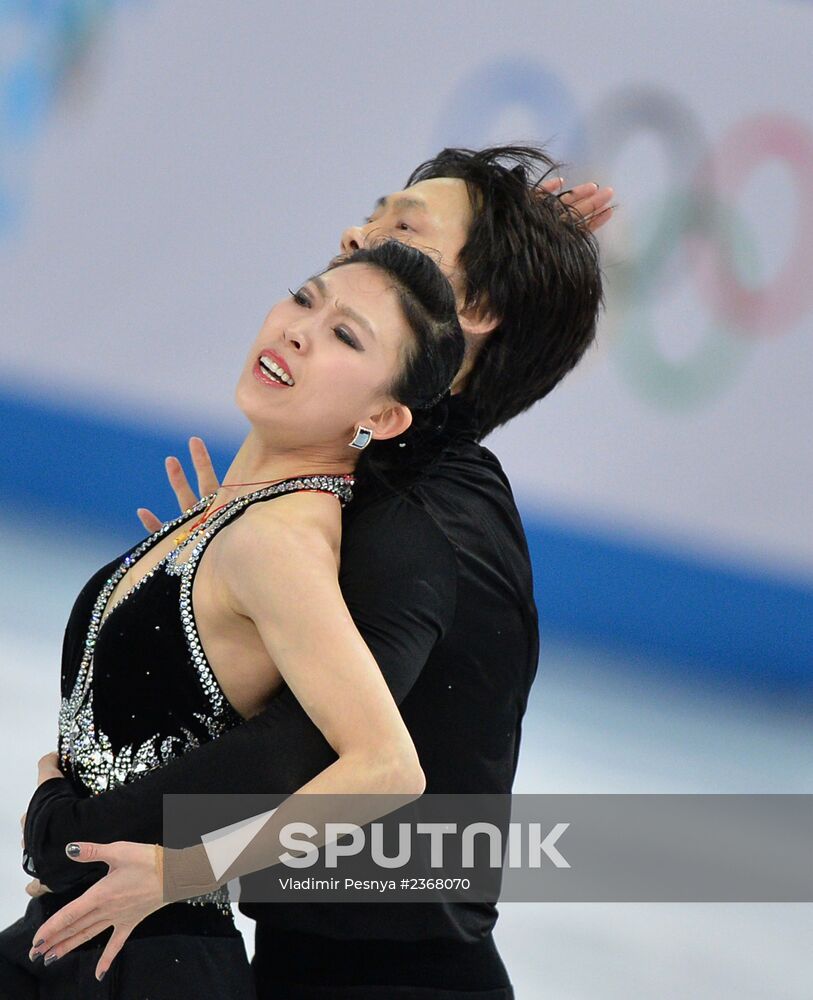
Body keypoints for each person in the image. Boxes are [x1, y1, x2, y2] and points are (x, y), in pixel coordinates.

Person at [19, 146, 610, 998]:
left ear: (474, 311)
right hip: (310, 955)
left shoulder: (427, 522)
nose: (355, 234)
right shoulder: (355, 480)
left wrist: (79, 834)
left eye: (400, 228)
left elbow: (314, 749)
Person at [1, 240, 466, 998]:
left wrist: (177, 871)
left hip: (152, 963)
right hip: (80, 942)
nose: (298, 330)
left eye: (346, 336)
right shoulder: (239, 514)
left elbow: (386, 767)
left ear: (381, 416)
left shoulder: (279, 540)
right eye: (305, 299)